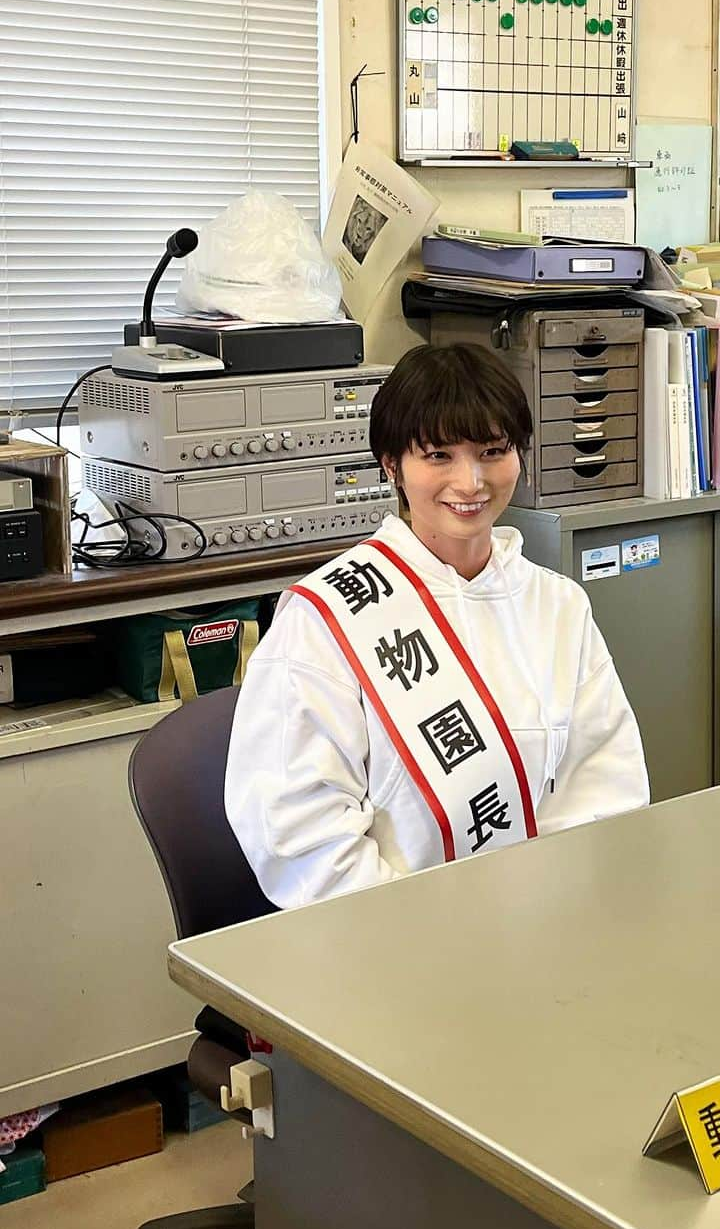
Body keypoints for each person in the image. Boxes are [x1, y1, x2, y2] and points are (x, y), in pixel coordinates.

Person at [225, 342, 649, 909]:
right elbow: (298, 831)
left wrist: (556, 910)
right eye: (439, 456)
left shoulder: (558, 607)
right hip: (389, 942)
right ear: (391, 464)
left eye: (492, 451)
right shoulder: (322, 621)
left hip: (542, 929)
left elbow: (606, 786)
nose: (471, 482)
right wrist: (421, 935)